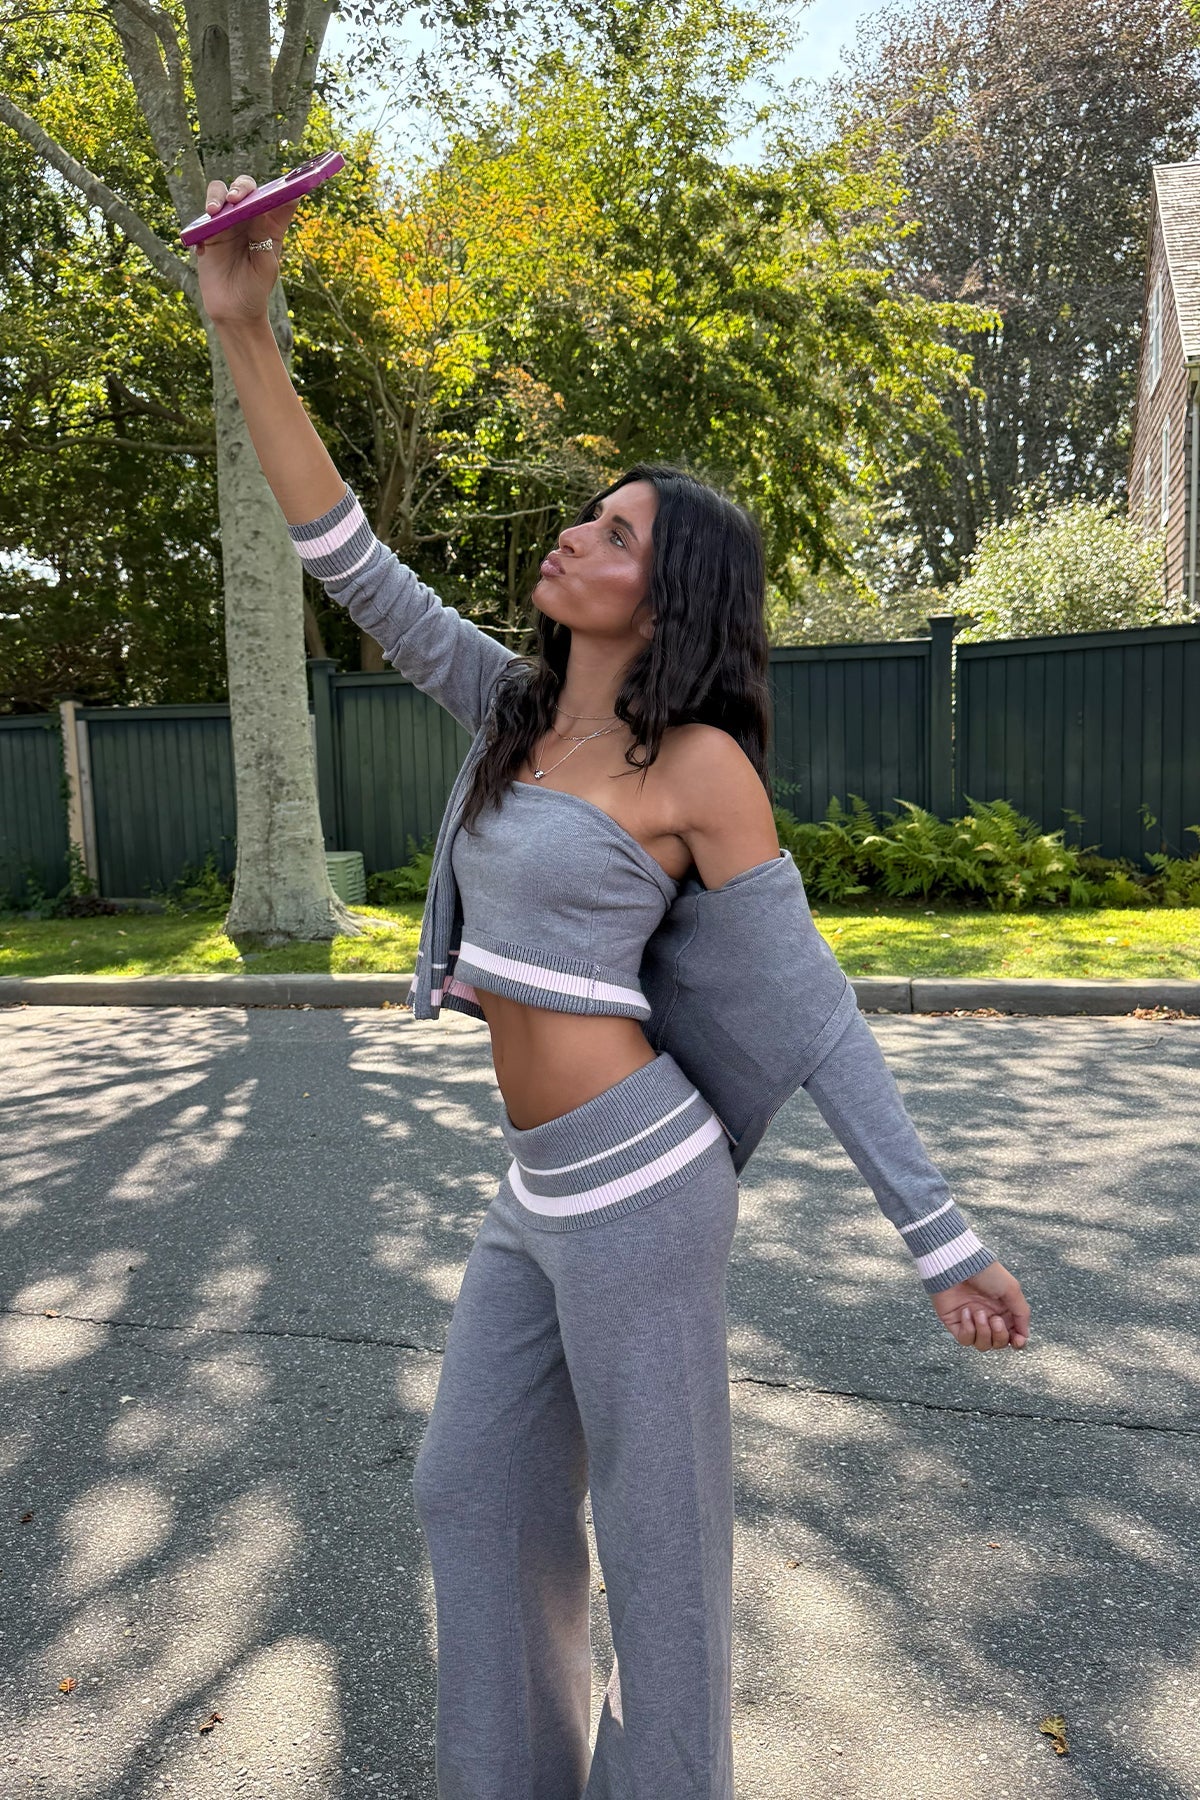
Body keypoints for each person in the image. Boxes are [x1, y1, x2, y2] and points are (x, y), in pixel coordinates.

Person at [195, 173, 1031, 1800]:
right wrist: (244, 327)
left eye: (618, 531)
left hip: (645, 1189)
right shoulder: (510, 708)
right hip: (536, 1186)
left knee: (659, 1553)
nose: (577, 531)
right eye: (590, 514)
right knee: (472, 1491)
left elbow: (812, 1008)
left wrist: (943, 1239)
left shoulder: (699, 766)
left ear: (671, 594)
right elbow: (345, 554)